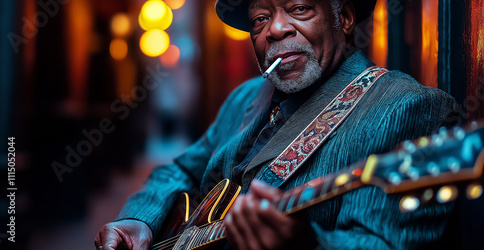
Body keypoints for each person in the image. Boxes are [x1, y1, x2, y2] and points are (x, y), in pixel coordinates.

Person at [95, 0, 458, 249]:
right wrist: (139, 221)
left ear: (344, 18)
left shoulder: (404, 107)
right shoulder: (246, 96)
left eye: (299, 9)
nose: (276, 29)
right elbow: (179, 170)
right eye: (260, 18)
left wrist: (302, 243)